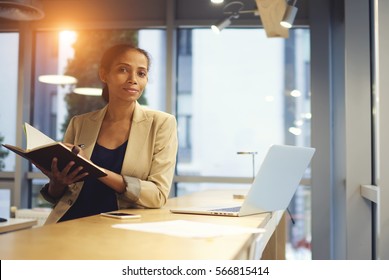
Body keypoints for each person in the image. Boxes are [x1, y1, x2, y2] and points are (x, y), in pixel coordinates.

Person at [39, 44, 178, 224]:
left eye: (141, 73)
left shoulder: (161, 123)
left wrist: (95, 169)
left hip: (120, 230)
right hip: (68, 223)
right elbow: (62, 195)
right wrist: (57, 182)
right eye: (123, 70)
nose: (133, 79)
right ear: (104, 75)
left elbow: (157, 195)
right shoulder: (80, 123)